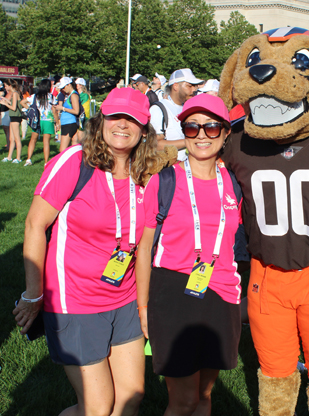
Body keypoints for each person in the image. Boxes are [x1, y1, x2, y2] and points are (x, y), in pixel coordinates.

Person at [13, 87, 169, 416]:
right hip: (75, 301)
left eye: (132, 119)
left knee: (131, 397)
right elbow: (33, 226)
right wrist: (33, 294)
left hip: (124, 298)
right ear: (101, 120)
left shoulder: (146, 175)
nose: (122, 125)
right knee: (97, 407)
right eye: (115, 116)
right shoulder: (74, 162)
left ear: (144, 128)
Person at [135, 94, 241, 416]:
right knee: (182, 402)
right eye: (192, 128)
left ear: (225, 133)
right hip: (174, 295)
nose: (202, 136)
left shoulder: (234, 182)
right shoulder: (165, 180)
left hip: (223, 295)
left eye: (211, 127)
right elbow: (143, 248)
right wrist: (143, 306)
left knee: (205, 397)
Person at [150, 68, 203, 156]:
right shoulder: (159, 108)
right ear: (175, 86)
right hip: (168, 167)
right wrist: (189, 141)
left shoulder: (187, 108)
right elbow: (154, 145)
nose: (194, 90)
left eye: (195, 86)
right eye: (189, 86)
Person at [21, 79, 59, 166]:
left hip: (37, 120)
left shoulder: (34, 96)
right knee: (46, 142)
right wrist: (57, 122)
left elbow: (22, 102)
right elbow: (54, 110)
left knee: (33, 140)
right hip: (48, 120)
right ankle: (46, 162)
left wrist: (29, 109)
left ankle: (28, 159)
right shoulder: (52, 97)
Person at [54, 77, 80, 152]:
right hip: (68, 123)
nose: (63, 89)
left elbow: (76, 111)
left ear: (69, 85)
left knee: (62, 149)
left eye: (64, 87)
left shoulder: (73, 95)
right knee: (69, 148)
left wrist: (62, 108)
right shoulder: (70, 95)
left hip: (69, 123)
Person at [1, 79, 23, 163]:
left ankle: (18, 158)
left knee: (17, 138)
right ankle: (9, 157)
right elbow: (14, 105)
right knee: (11, 138)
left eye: (6, 86)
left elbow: (14, 108)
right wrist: (6, 100)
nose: (5, 87)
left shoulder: (15, 93)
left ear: (10, 85)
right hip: (12, 117)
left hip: (15, 118)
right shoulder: (15, 93)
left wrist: (5, 104)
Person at [0, 80, 11, 150]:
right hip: (4, 111)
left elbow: (8, 102)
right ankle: (9, 144)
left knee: (7, 129)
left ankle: (9, 145)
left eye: (6, 86)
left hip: (6, 111)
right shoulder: (6, 92)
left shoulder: (10, 93)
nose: (5, 87)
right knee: (5, 129)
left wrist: (3, 99)